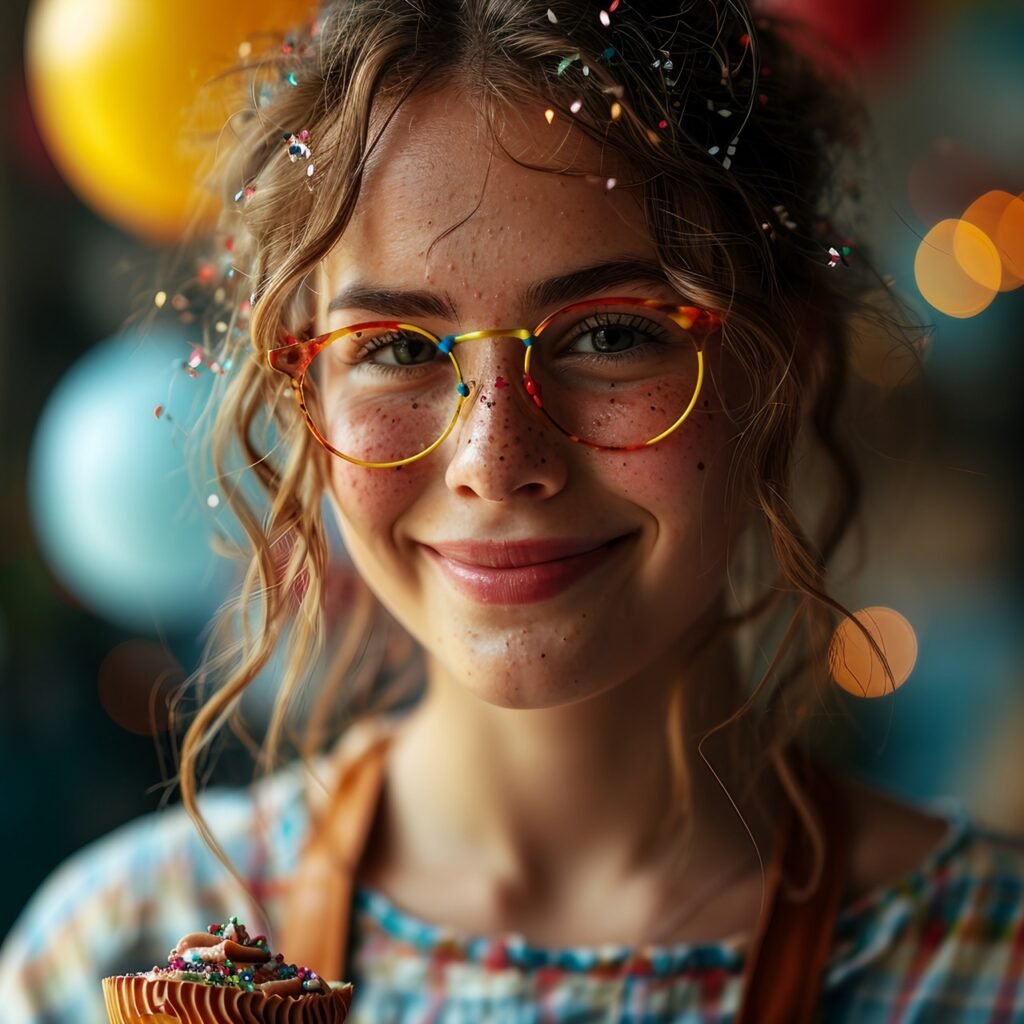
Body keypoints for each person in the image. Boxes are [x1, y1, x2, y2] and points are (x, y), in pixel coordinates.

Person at [3, 1, 1024, 1020]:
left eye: (613, 333)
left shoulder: (984, 969)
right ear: (297, 389)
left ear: (784, 361)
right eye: (398, 347)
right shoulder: (115, 945)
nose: (495, 462)